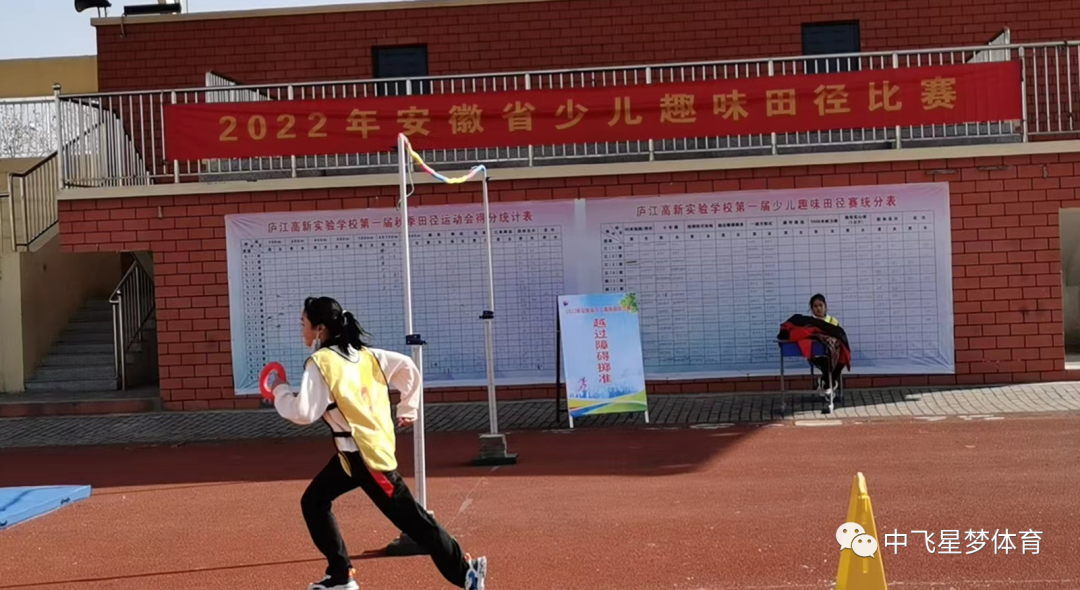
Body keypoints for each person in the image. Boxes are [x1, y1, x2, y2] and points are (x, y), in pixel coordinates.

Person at [268, 296, 487, 590]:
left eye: (303, 323)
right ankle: (340, 576)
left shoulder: (321, 363)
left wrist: (279, 391)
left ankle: (465, 573)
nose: (301, 329)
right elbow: (407, 366)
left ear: (320, 329)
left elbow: (303, 412)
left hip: (367, 459)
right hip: (352, 457)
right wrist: (408, 407)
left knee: (414, 521)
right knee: (314, 501)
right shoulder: (367, 355)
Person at [807, 293, 844, 395]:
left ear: (825, 306)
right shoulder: (809, 323)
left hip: (833, 353)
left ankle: (825, 383)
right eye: (815, 306)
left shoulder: (833, 321)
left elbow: (839, 338)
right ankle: (829, 385)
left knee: (842, 360)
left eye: (821, 305)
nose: (818, 308)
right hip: (816, 355)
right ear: (812, 309)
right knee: (826, 362)